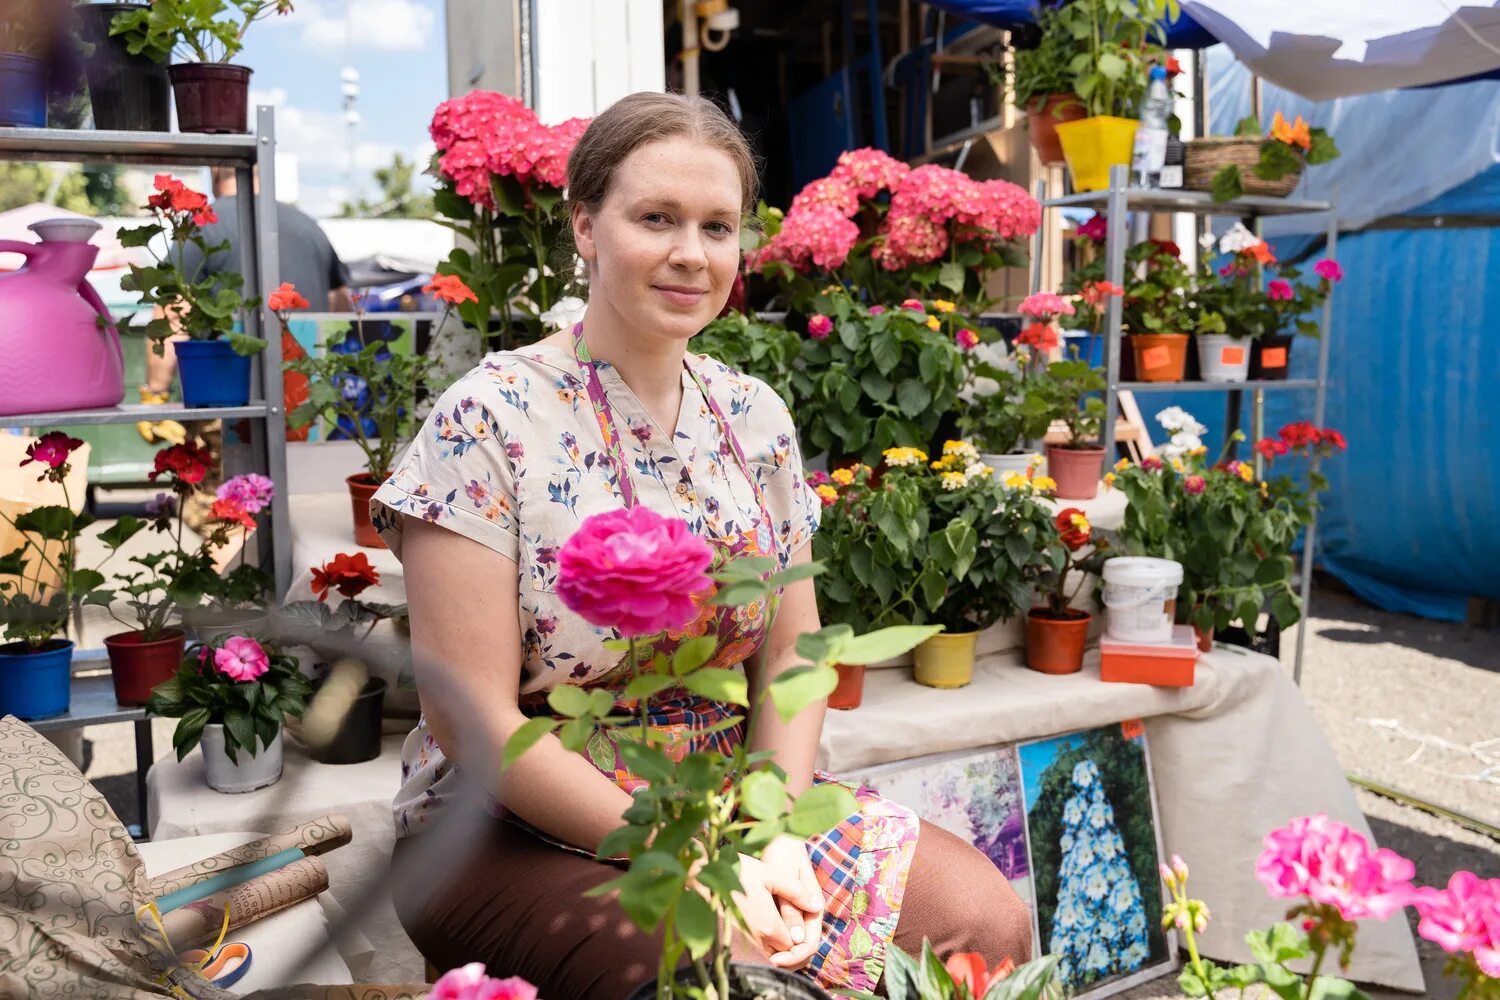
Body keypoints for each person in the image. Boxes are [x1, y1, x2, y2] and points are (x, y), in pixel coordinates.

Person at [372, 92, 1032, 999]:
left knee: (982, 926)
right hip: (505, 821)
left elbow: (796, 655)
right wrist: (701, 854)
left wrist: (773, 829)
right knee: (728, 973)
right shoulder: (486, 420)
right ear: (585, 228)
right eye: (656, 218)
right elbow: (474, 722)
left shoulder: (754, 416)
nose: (692, 253)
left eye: (717, 227)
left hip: (730, 793)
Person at [142, 166, 355, 400]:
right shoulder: (310, 226)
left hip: (229, 401)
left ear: (214, 174)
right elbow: (341, 309)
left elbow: (172, 315)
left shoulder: (203, 225)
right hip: (312, 400)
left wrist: (156, 391)